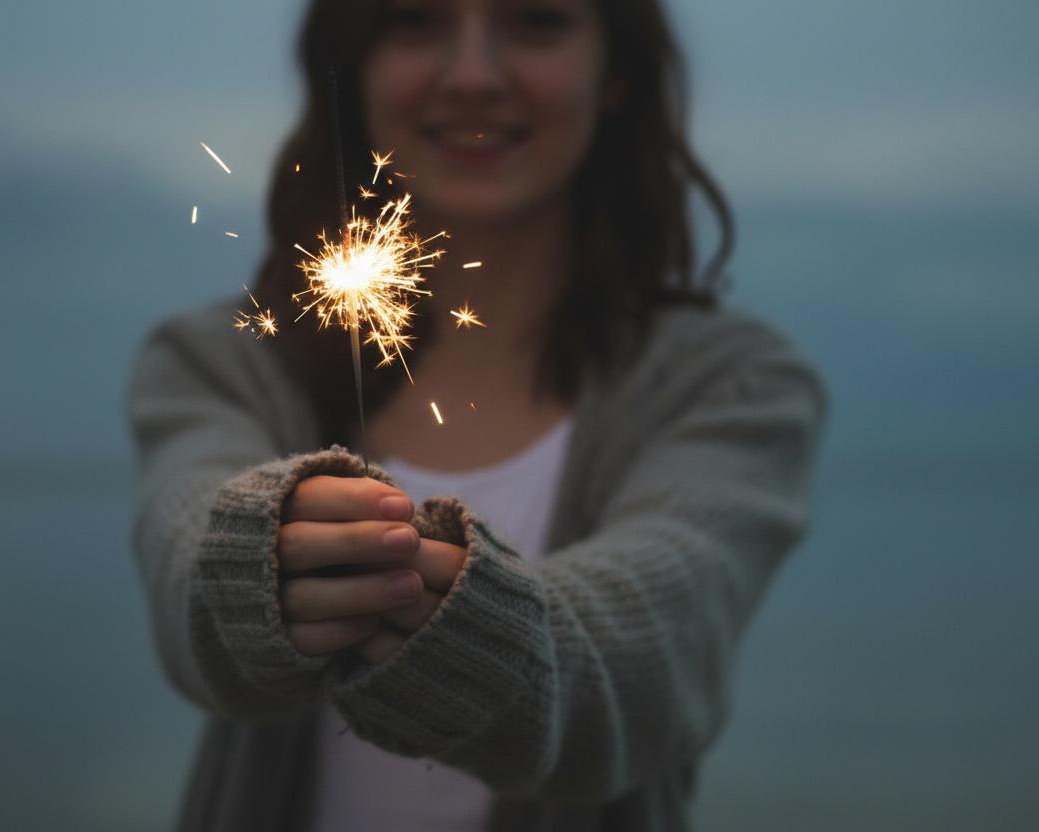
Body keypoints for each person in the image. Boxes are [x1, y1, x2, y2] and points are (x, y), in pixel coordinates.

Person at [125, 0, 827, 829]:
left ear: (617, 72)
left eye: (536, 21)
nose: (471, 76)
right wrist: (254, 562)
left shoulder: (729, 387)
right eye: (414, 20)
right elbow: (189, 559)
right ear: (352, 66)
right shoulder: (225, 361)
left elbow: (656, 652)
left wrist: (470, 627)